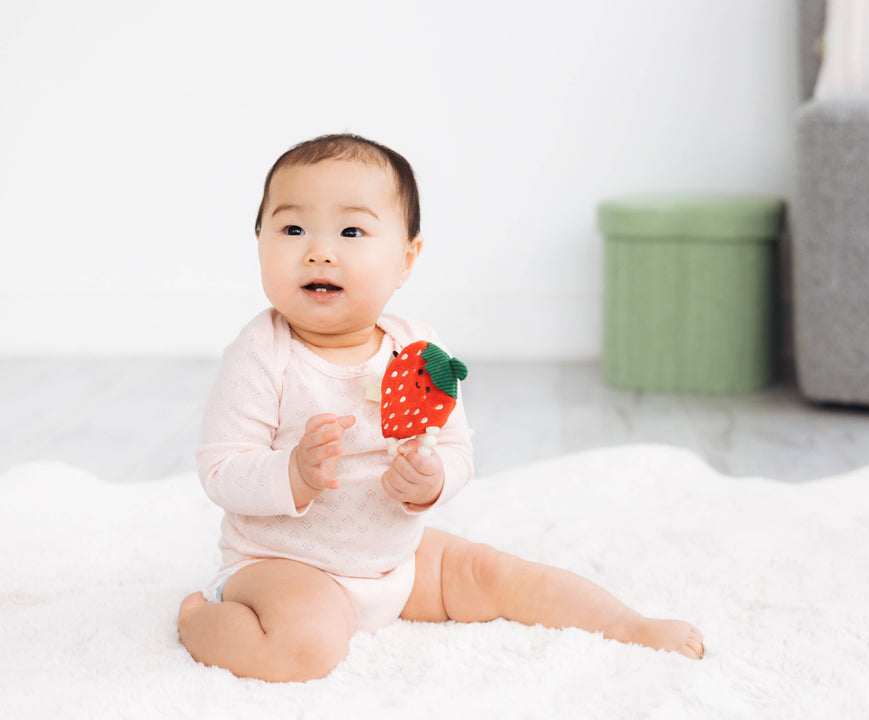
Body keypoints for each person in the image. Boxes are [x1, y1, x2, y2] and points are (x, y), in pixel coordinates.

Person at [177, 133, 704, 682]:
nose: (319, 250)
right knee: (308, 648)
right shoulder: (262, 354)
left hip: (398, 559)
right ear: (258, 240)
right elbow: (221, 469)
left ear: (406, 259)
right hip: (284, 564)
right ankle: (200, 621)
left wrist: (431, 479)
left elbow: (454, 448)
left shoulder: (419, 351)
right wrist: (292, 473)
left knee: (497, 573)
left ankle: (628, 623)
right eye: (292, 229)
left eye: (351, 231)